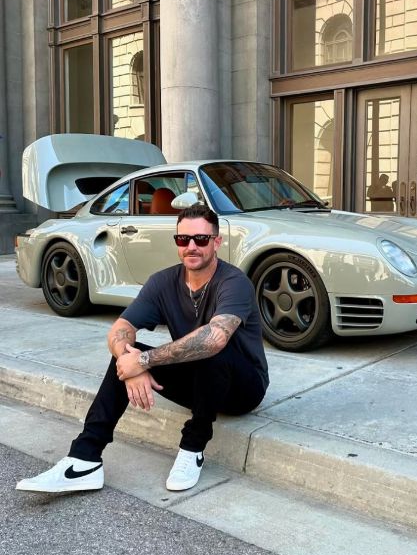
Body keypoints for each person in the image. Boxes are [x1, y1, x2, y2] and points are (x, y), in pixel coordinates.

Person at [16, 203, 270, 494]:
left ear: (216, 242)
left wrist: (145, 360)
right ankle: (84, 459)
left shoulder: (234, 282)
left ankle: (192, 448)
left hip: (243, 388)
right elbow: (120, 329)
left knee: (209, 348)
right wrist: (130, 362)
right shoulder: (162, 282)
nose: (191, 247)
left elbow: (215, 339)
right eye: (182, 239)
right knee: (126, 352)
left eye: (201, 239)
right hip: (200, 383)